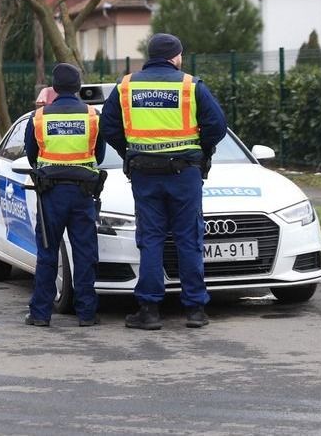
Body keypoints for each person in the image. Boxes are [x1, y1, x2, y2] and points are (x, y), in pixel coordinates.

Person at [99, 33, 227, 330]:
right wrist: (201, 150)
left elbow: (109, 127)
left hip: (145, 174)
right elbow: (217, 126)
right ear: (176, 56)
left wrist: (129, 153)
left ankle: (149, 310)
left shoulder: (126, 85)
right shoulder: (190, 85)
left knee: (151, 239)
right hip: (185, 174)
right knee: (188, 238)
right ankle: (195, 310)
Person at [22, 63, 105, 328]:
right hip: (83, 194)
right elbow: (99, 155)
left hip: (51, 194)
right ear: (78, 86)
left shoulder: (39, 118)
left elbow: (32, 155)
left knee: (47, 253)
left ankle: (40, 314)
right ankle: (87, 314)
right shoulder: (93, 116)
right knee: (84, 252)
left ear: (54, 88)